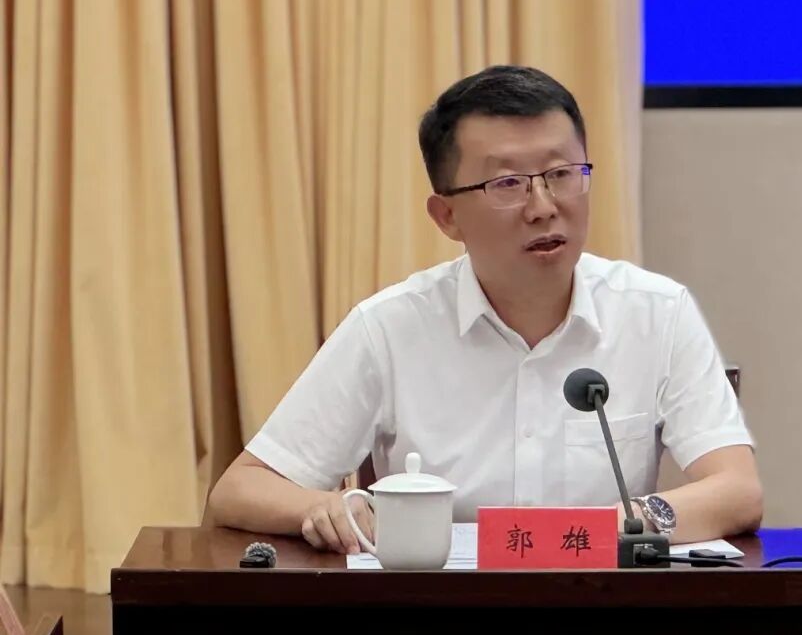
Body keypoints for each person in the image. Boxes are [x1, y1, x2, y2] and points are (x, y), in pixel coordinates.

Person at [206, 65, 762, 554]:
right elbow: (239, 490)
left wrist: (626, 522)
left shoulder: (656, 313)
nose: (543, 207)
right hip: (440, 620)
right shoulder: (391, 327)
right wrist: (321, 508)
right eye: (508, 184)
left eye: (561, 175)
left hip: (601, 611)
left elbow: (737, 490)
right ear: (446, 216)